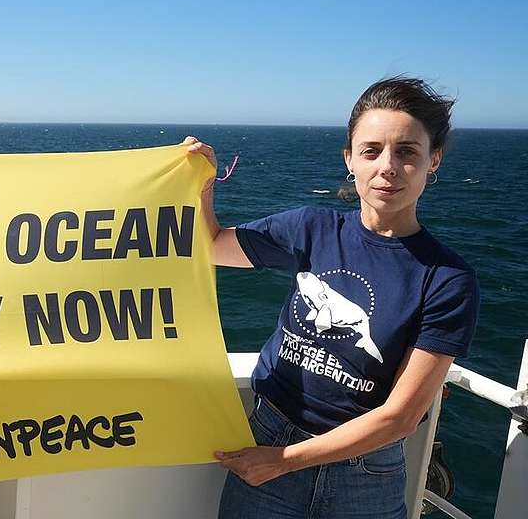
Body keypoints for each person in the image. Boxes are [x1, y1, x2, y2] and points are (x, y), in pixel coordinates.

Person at [187, 77, 479, 518]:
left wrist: (284, 463)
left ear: (432, 160)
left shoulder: (447, 279)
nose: (387, 167)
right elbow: (210, 246)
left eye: (407, 152)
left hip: (364, 475)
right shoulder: (311, 228)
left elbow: (399, 418)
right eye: (371, 150)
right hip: (272, 436)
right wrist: (201, 180)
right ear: (350, 159)